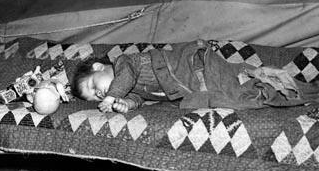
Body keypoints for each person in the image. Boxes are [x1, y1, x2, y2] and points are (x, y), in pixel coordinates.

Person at [72, 40, 316, 113]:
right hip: (196, 87)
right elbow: (139, 99)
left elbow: (125, 77)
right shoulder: (127, 89)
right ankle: (302, 97)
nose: (99, 95)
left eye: (94, 87)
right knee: (245, 97)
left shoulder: (125, 63)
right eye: (95, 98)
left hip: (196, 67)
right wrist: (125, 103)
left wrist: (113, 95)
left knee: (240, 87)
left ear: (97, 67)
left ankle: (303, 92)